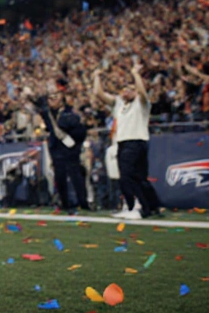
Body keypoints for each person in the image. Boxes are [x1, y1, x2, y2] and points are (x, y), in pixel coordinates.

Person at [92, 61, 161, 219]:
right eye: (123, 89)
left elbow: (143, 93)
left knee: (127, 177)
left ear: (135, 91)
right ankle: (153, 207)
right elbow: (98, 94)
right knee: (140, 178)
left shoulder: (141, 103)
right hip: (125, 143)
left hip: (135, 141)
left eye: (129, 89)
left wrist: (136, 74)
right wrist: (97, 76)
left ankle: (133, 207)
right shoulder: (119, 103)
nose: (125, 92)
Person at [27, 81, 90, 214]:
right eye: (50, 98)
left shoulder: (69, 112)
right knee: (59, 177)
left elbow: (74, 127)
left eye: (55, 97)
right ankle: (65, 203)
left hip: (70, 148)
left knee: (76, 176)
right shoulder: (49, 113)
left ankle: (83, 202)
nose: (52, 100)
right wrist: (33, 94)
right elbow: (38, 103)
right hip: (57, 148)